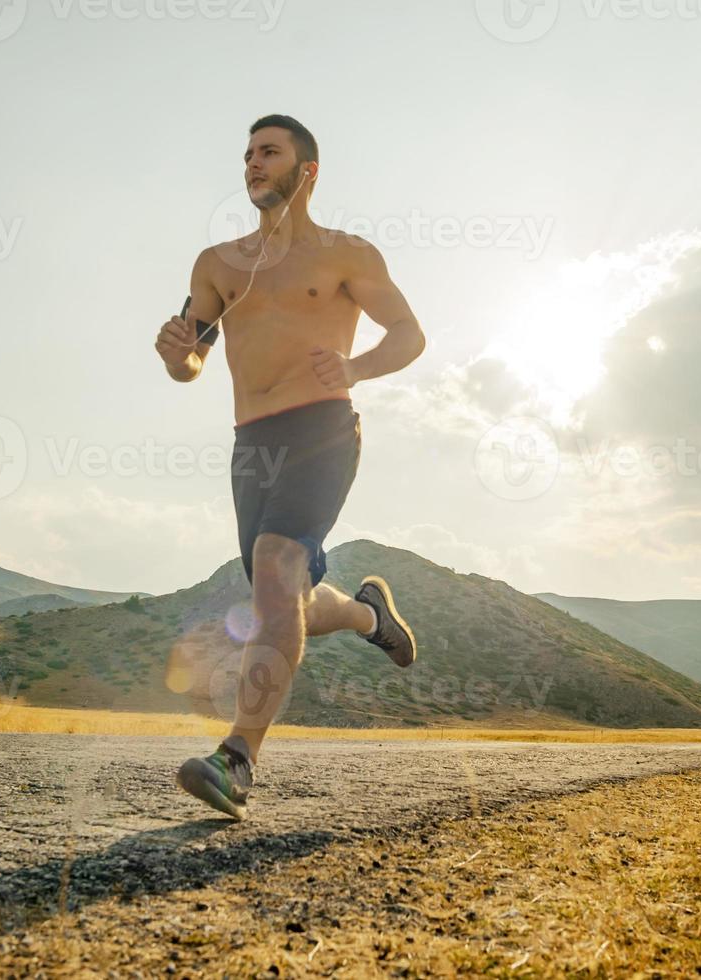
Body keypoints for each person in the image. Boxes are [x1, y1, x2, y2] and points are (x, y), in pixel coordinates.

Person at [155, 114, 425, 821]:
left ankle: (236, 759)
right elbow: (192, 359)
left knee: (276, 567)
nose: (252, 163)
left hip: (322, 427)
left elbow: (409, 335)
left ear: (306, 171)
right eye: (246, 154)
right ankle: (368, 615)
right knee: (288, 599)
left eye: (268, 152)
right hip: (253, 443)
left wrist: (356, 368)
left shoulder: (347, 254)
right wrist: (174, 354)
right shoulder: (217, 263)